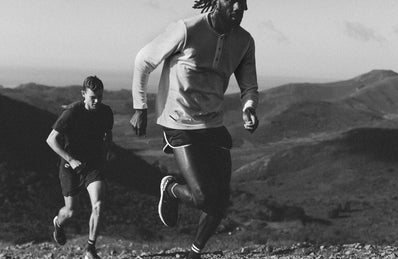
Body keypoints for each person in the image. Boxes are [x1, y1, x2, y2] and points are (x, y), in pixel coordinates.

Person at [130, 0, 259, 258]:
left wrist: (249, 108)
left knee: (221, 200)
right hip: (178, 120)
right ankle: (171, 189)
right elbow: (143, 61)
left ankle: (194, 252)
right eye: (231, 1)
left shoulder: (244, 41)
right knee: (203, 197)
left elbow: (248, 86)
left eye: (242, 2)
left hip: (212, 122)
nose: (238, 8)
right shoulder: (186, 30)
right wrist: (139, 107)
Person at [46, 76, 113, 259]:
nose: (97, 101)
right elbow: (51, 139)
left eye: (100, 96)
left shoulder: (106, 112)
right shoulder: (72, 112)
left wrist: (108, 151)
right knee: (70, 211)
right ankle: (58, 224)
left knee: (98, 205)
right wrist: (71, 159)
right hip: (70, 166)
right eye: (93, 97)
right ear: (84, 94)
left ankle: (90, 250)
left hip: (93, 165)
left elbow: (108, 133)